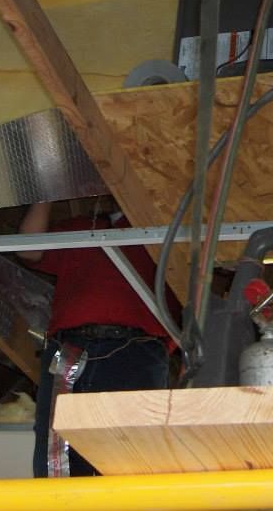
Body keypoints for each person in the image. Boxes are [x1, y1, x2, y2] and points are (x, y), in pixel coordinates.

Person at [18, 201, 177, 477]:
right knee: (58, 451)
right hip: (71, 348)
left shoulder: (165, 228)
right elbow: (28, 248)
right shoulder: (83, 226)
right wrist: (43, 192)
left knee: (131, 456)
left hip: (137, 352)